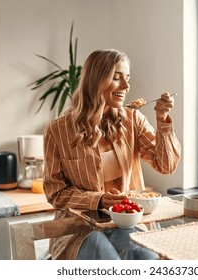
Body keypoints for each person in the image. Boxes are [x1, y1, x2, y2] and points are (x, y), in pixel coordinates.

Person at [43, 48, 181, 259]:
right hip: (79, 230)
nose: (126, 87)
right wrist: (98, 199)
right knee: (104, 253)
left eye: (127, 78)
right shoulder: (58, 130)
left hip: (125, 224)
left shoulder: (133, 119)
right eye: (116, 78)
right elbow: (55, 193)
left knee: (149, 257)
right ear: (95, 80)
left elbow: (166, 165)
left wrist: (162, 119)